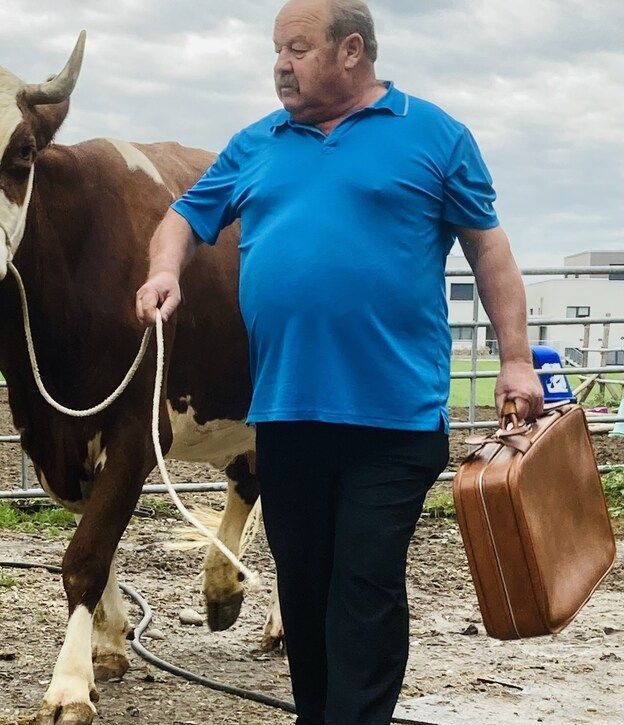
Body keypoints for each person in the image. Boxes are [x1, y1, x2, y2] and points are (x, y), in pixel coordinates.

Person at [136, 1, 544, 723]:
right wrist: (164, 270)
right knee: (304, 585)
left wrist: (517, 359)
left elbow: (490, 251)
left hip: (394, 417)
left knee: (364, 584)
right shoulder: (257, 143)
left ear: (352, 49)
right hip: (286, 416)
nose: (280, 65)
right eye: (277, 50)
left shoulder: (435, 136)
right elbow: (183, 216)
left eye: (297, 48)